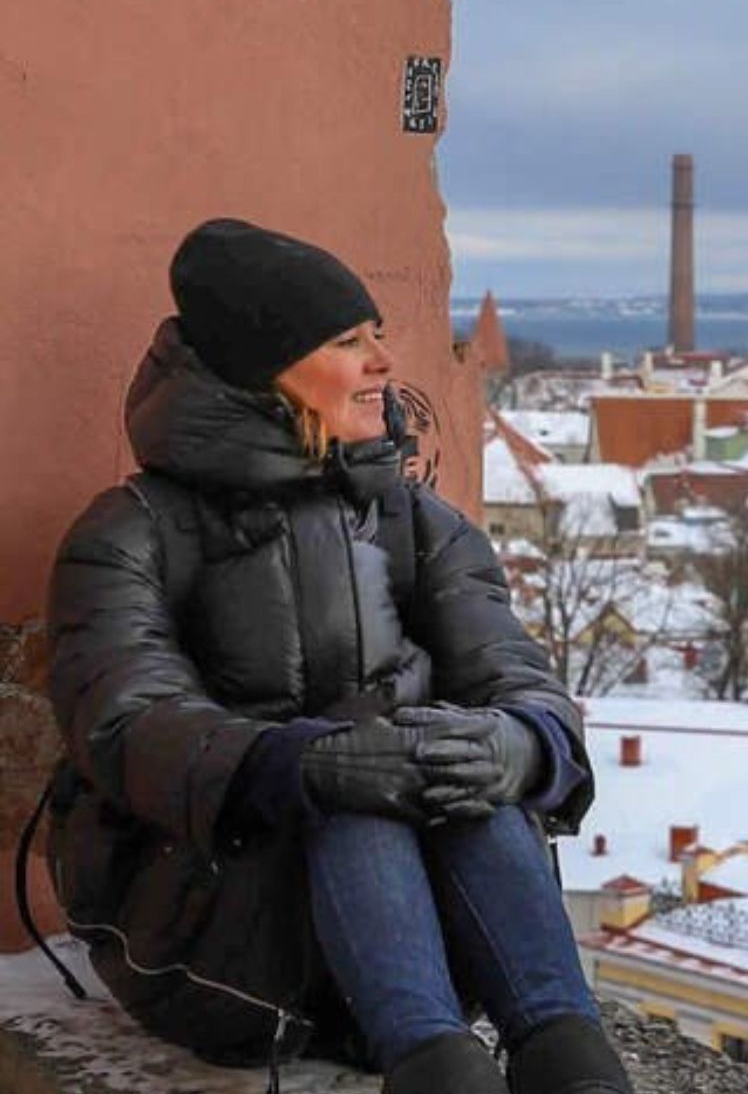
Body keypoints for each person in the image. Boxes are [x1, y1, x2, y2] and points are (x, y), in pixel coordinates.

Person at [44, 219, 633, 1094]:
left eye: (379, 338)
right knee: (346, 785)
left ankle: (567, 1053)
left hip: (435, 941)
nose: (383, 364)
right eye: (347, 342)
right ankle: (434, 1067)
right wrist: (301, 766)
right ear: (260, 374)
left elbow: (517, 674)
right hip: (220, 944)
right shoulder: (130, 534)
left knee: (457, 766)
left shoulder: (418, 522)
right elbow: (128, 721)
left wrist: (521, 744)